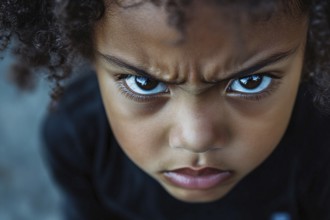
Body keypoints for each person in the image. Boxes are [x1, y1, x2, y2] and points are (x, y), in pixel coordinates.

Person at [1, 0, 330, 219]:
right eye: (143, 84)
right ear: (91, 56)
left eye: (251, 82)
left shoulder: (320, 151)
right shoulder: (77, 137)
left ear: (310, 53)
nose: (196, 138)